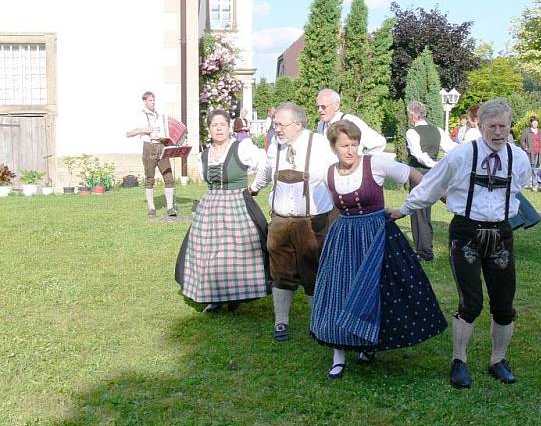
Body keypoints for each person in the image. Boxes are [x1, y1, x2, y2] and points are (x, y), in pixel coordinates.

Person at [391, 98, 531, 389]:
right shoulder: (462, 156)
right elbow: (432, 185)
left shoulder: (518, 158)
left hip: (501, 234)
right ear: (480, 127)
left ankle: (498, 360)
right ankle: (459, 360)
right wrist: (403, 210)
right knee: (471, 302)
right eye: (491, 126)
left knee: (504, 304)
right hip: (466, 232)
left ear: (509, 126)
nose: (497, 131)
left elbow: (517, 190)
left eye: (502, 125)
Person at [310, 120, 448, 379]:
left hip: (378, 235)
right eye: (344, 146)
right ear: (333, 147)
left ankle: (368, 343)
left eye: (354, 144)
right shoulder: (329, 174)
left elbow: (412, 175)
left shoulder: (376, 164)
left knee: (380, 290)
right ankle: (338, 354)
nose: (350, 151)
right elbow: (332, 209)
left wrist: (442, 194)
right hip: (345, 238)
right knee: (341, 291)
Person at [175, 109, 271, 312]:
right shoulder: (205, 154)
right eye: (214, 125)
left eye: (222, 124)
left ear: (229, 127)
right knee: (207, 252)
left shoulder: (242, 147)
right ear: (209, 129)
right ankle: (215, 296)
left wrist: (254, 187)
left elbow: (266, 166)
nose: (218, 128)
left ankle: (236, 293)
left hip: (237, 205)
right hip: (211, 207)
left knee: (237, 251)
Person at [266, 102, 338, 341]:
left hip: (311, 222)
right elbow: (266, 171)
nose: (276, 128)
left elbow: (336, 174)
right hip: (279, 222)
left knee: (313, 272)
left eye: (281, 124)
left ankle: (317, 322)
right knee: (280, 272)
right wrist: (253, 188)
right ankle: (281, 322)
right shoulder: (275, 145)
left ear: (298, 125)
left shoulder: (319, 145)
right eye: (275, 123)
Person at [405, 100, 457, 261]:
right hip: (436, 174)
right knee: (449, 202)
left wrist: (435, 165)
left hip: (419, 174)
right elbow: (452, 148)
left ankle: (424, 251)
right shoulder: (438, 130)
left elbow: (419, 155)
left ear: (413, 115)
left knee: (419, 212)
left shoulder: (411, 133)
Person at [125, 91, 177, 217]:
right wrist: (143, 130)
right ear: (144, 101)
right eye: (150, 100)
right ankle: (151, 208)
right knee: (150, 178)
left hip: (161, 146)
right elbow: (128, 133)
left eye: (154, 100)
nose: (153, 102)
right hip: (149, 147)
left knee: (169, 177)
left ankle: (170, 208)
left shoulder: (159, 116)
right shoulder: (140, 115)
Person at [315, 88, 386, 154]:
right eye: (318, 107)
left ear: (336, 106)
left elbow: (379, 143)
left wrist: (361, 162)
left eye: (323, 107)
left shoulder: (351, 122)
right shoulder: (321, 125)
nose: (320, 110)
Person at [520, 116, 541, 181]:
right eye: (533, 122)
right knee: (530, 167)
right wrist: (526, 149)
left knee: (536, 168)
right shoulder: (526, 131)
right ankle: (528, 182)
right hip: (530, 152)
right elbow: (522, 141)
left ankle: (534, 183)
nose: (535, 124)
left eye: (536, 123)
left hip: (538, 152)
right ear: (531, 123)